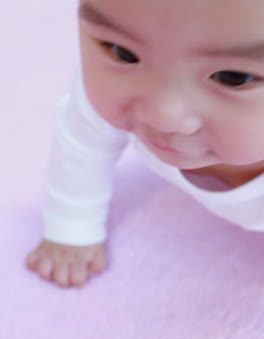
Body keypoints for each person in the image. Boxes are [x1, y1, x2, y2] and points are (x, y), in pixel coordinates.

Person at [26, 0, 264, 287]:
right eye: (123, 53)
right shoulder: (113, 92)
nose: (160, 116)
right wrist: (71, 224)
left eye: (234, 78)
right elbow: (81, 146)